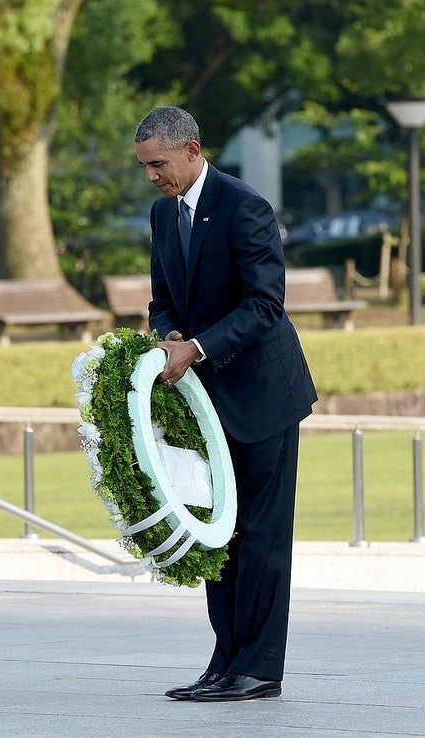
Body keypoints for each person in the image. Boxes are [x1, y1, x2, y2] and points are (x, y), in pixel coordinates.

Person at [134, 105, 318, 702]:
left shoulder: (246, 207)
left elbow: (266, 304)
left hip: (262, 396)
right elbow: (163, 298)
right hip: (205, 402)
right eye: (144, 167)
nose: (151, 177)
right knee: (217, 534)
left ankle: (259, 668)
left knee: (262, 536)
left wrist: (198, 348)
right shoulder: (163, 215)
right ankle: (224, 662)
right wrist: (166, 337)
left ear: (192, 150)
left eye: (158, 164)